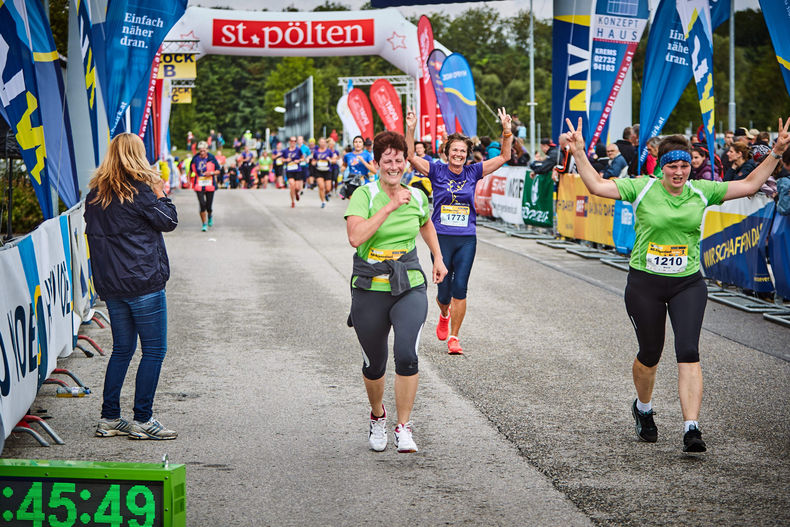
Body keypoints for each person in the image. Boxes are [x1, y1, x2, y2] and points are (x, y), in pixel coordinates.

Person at [561, 115, 790, 453]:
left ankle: (691, 428)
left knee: (688, 350)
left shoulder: (702, 190)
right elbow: (596, 186)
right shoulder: (642, 187)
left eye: (685, 166)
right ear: (662, 168)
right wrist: (580, 153)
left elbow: (750, 185)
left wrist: (776, 152)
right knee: (650, 354)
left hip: (688, 284)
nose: (680, 172)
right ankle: (643, 408)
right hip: (645, 284)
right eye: (673, 167)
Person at [345, 130, 447, 453]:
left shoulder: (417, 195)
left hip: (409, 283)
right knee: (374, 365)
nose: (393, 164)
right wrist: (389, 207)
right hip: (370, 286)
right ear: (376, 163)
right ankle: (378, 416)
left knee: (407, 354)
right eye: (386, 159)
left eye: (399, 159)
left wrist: (438, 257)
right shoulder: (364, 195)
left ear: (406, 163)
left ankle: (404, 426)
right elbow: (356, 237)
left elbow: (425, 223)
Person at [85, 133, 179, 441]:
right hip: (142, 281)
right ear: (137, 156)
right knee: (153, 350)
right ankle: (143, 418)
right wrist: (160, 192)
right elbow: (168, 221)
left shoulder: (95, 194)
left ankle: (110, 416)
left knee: (122, 350)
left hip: (112, 284)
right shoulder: (140, 191)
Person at [406, 106, 513, 354]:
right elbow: (410, 156)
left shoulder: (474, 171)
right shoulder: (436, 170)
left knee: (460, 286)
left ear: (467, 154)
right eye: (454, 150)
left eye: (463, 151)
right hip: (440, 238)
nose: (458, 154)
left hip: (466, 239)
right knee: (444, 292)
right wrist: (411, 129)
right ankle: (444, 314)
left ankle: (454, 337)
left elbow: (504, 157)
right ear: (446, 152)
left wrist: (506, 132)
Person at [190, 141, 220, 231]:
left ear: (207, 150)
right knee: (202, 204)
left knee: (209, 205)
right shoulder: (195, 158)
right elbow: (190, 170)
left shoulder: (212, 158)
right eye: (200, 151)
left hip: (210, 184)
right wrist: (189, 181)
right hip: (199, 185)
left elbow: (218, 170)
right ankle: (204, 224)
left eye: (203, 150)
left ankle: (210, 215)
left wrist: (210, 173)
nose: (202, 152)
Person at [312, 137, 337, 208]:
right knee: (321, 186)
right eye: (321, 142)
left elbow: (334, 161)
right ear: (319, 143)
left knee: (328, 188)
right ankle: (323, 201)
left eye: (324, 142)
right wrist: (315, 162)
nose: (322, 143)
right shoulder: (316, 152)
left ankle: (325, 194)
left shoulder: (329, 151)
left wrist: (329, 160)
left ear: (326, 143)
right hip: (319, 170)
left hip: (327, 171)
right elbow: (313, 161)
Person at [281, 136, 305, 207]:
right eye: (291, 141)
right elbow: (282, 159)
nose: (293, 142)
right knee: (292, 185)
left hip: (297, 170)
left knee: (297, 187)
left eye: (294, 141)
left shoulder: (298, 150)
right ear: (289, 142)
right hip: (289, 170)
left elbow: (303, 158)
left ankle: (296, 193)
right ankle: (292, 201)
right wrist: (286, 160)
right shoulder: (285, 151)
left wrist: (299, 160)